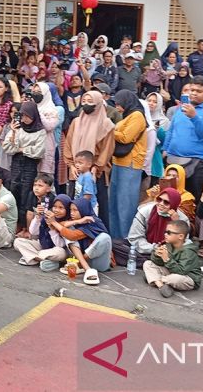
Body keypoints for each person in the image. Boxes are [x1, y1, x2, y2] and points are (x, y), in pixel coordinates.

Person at [162, 76, 203, 200]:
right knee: (171, 199)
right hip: (173, 160)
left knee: (194, 201)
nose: (194, 93)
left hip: (198, 163)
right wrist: (165, 150)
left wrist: (194, 117)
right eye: (192, 90)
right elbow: (172, 130)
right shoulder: (181, 108)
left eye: (199, 91)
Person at [63, 90, 116, 229]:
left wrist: (96, 167)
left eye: (90, 102)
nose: (86, 104)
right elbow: (68, 144)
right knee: (74, 205)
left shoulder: (106, 124)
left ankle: (98, 238)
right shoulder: (76, 122)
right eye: (84, 101)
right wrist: (71, 165)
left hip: (95, 173)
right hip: (76, 171)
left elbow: (107, 149)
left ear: (98, 103)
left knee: (97, 207)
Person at [109, 90, 148, 239]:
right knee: (114, 203)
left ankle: (127, 239)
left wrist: (110, 128)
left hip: (131, 164)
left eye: (119, 104)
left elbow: (126, 137)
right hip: (118, 161)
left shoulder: (137, 116)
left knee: (125, 205)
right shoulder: (127, 116)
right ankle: (115, 238)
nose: (117, 108)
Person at [3, 101, 46, 233]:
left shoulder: (40, 131)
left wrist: (20, 148)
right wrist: (14, 132)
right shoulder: (17, 128)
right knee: (14, 190)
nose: (25, 119)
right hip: (16, 163)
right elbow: (7, 147)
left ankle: (24, 226)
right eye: (23, 115)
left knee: (26, 193)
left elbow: (38, 151)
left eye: (28, 116)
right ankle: (14, 223)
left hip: (30, 165)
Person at [118, 187, 188, 267]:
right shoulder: (145, 211)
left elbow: (182, 245)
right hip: (145, 248)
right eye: (159, 199)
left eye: (166, 202)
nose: (161, 204)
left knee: (175, 257)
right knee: (115, 244)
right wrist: (154, 248)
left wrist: (176, 223)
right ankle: (149, 261)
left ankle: (148, 262)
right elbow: (134, 238)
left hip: (166, 253)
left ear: (173, 204)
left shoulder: (182, 219)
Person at [57, 197, 112, 285]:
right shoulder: (75, 221)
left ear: (83, 209)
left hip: (99, 262)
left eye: (75, 210)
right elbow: (60, 226)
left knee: (105, 237)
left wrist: (78, 262)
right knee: (67, 229)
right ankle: (84, 267)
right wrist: (78, 221)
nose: (72, 213)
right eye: (71, 210)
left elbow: (72, 236)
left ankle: (79, 264)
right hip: (85, 262)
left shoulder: (93, 221)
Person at [143, 219, 202, 298]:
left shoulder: (189, 251)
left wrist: (167, 259)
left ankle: (154, 279)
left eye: (169, 233)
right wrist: (157, 255)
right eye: (165, 232)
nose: (165, 234)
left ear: (180, 236)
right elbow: (158, 263)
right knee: (147, 264)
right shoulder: (168, 244)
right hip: (171, 271)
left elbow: (181, 271)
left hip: (188, 277)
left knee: (174, 279)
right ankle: (161, 286)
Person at [13, 194, 70, 271]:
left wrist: (52, 228)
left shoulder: (68, 222)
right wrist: (38, 217)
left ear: (67, 209)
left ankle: (31, 257)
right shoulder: (48, 215)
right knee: (18, 242)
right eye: (55, 207)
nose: (56, 210)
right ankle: (47, 261)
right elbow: (33, 232)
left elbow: (60, 245)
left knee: (61, 252)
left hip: (56, 250)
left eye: (61, 208)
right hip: (42, 245)